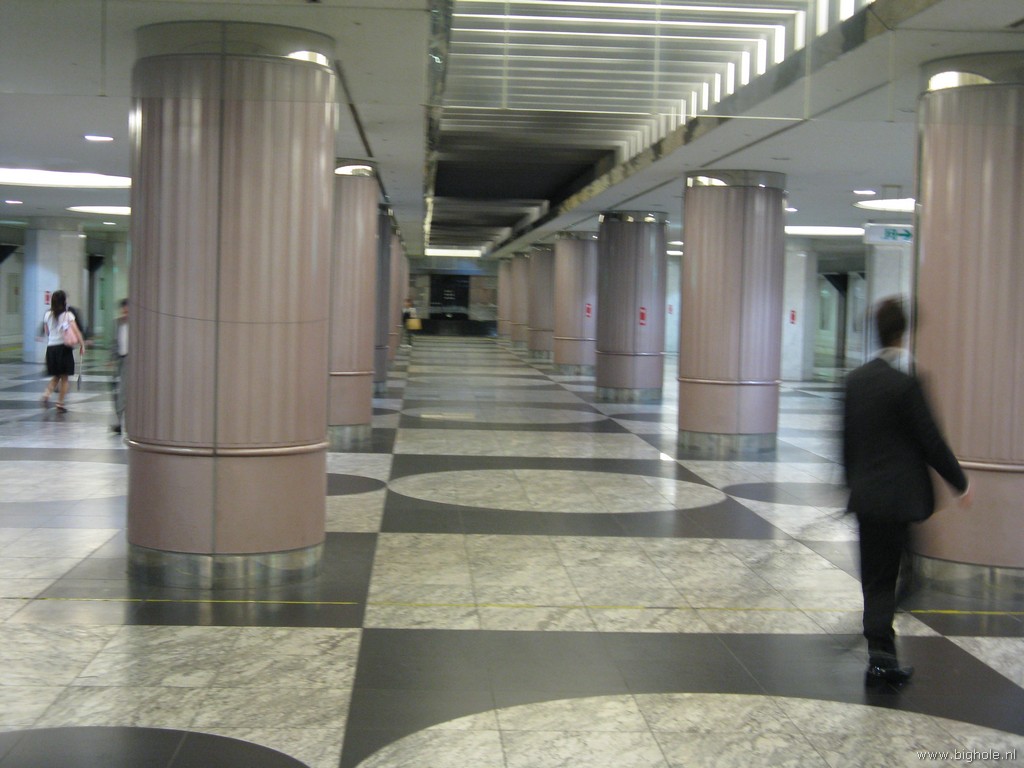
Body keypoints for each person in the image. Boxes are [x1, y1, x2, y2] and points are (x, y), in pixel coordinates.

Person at [843, 296, 972, 686]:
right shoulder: (907, 384)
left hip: (866, 498)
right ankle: (881, 650)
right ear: (904, 333)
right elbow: (931, 441)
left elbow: (846, 442)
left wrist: (853, 484)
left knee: (876, 577)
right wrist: (960, 483)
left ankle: (879, 646)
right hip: (898, 501)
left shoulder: (855, 381)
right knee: (902, 577)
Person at [40, 290, 84, 413]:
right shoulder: (68, 315)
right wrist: (82, 344)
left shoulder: (47, 315)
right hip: (63, 348)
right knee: (64, 378)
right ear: (63, 301)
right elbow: (76, 331)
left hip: (51, 348)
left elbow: (47, 332)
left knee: (57, 375)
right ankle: (60, 403)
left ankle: (47, 393)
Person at [110, 298, 129, 434]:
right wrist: (112, 358)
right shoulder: (118, 323)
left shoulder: (136, 324)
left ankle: (119, 421)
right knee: (119, 391)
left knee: (123, 391)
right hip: (121, 360)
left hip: (130, 360)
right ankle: (119, 420)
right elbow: (114, 342)